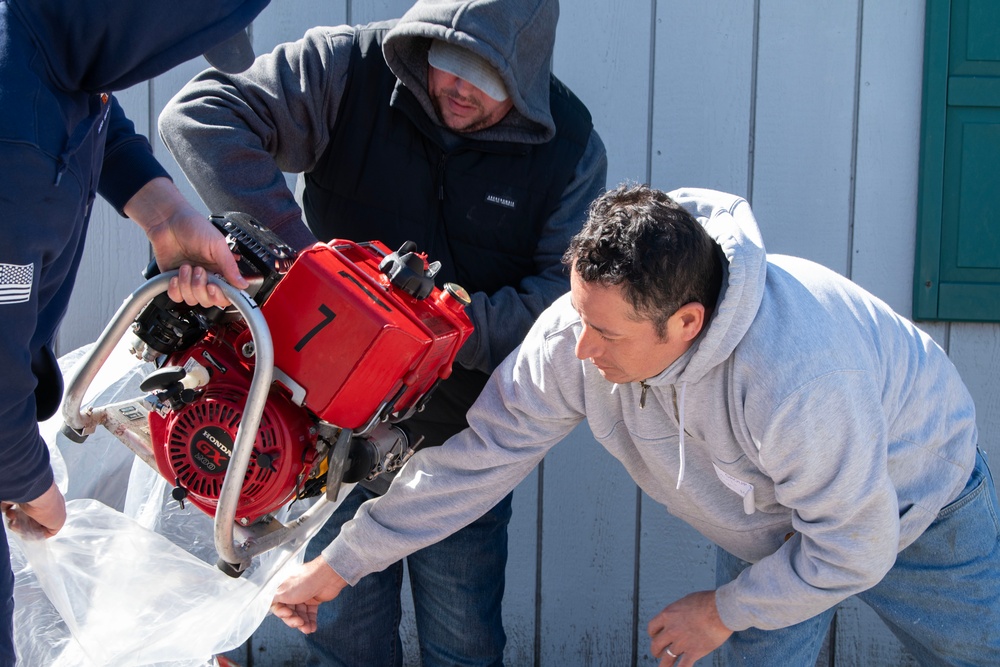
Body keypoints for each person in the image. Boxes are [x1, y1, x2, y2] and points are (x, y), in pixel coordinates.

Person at [269, 183, 1000, 666]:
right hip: (773, 521)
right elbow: (480, 456)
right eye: (580, 316)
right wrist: (341, 564)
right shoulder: (580, 330)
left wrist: (722, 610)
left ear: (687, 322)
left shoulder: (796, 377)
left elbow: (856, 543)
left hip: (916, 501)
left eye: (607, 335)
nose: (581, 351)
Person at [157, 0, 607, 664]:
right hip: (322, 430)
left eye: (486, 76)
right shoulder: (349, 68)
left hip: (460, 443)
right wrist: (305, 270)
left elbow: (567, 301)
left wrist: (441, 333)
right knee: (343, 636)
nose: (457, 86)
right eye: (446, 61)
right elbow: (198, 114)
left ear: (528, 74)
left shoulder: (570, 148)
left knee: (464, 639)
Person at [0, 1, 270, 664]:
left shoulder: (53, 39)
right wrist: (35, 488)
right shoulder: (14, 146)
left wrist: (165, 210)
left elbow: (93, 112)